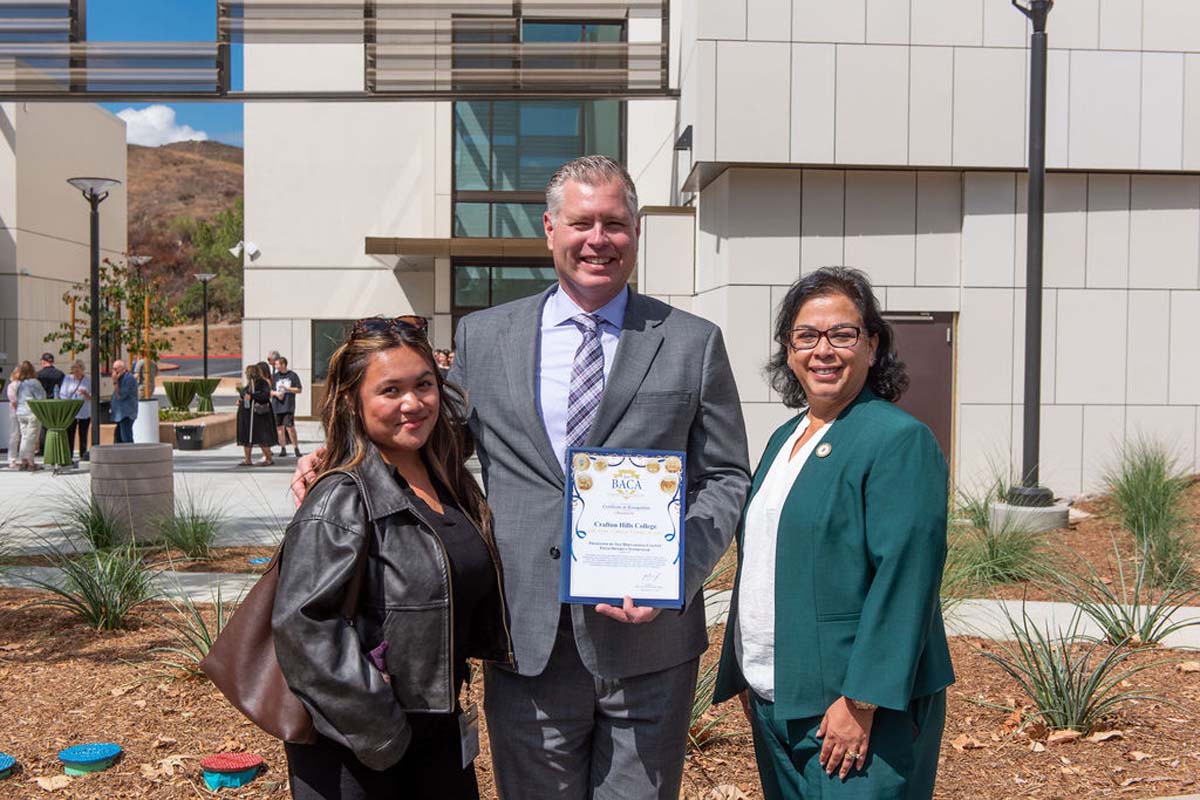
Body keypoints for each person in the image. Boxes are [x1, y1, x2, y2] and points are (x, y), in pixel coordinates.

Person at [294, 155, 751, 799]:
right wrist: (337, 457)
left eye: (616, 224)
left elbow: (726, 474)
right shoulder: (486, 337)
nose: (599, 239)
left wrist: (678, 571)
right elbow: (423, 436)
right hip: (525, 637)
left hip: (650, 649)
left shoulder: (692, 341)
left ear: (637, 231)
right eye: (582, 223)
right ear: (549, 230)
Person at [713, 267, 955, 800]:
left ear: (872, 345)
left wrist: (860, 702)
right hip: (779, 700)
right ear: (788, 348)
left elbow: (906, 579)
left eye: (842, 334)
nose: (823, 350)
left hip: (853, 713)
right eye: (807, 335)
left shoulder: (897, 440)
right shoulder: (786, 437)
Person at [273, 316, 512, 800]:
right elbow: (304, 629)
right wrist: (384, 732)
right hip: (362, 748)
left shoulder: (448, 480)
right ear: (351, 402)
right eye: (390, 390)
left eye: (424, 384)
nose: (413, 403)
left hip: (438, 731)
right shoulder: (341, 497)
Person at [236, 364, 276, 466]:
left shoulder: (262, 383)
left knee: (261, 438)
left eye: (247, 372)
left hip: (259, 415)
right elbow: (245, 393)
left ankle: (269, 459)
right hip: (248, 415)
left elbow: (265, 395)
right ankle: (247, 459)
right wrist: (242, 398)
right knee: (247, 438)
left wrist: (252, 396)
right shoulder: (250, 384)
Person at [13, 361, 46, 471]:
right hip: (31, 412)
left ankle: (23, 461)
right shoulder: (34, 382)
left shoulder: (19, 383)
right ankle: (31, 463)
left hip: (20, 412)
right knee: (31, 437)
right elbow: (41, 397)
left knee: (24, 437)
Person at [58, 360, 92, 462]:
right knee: (70, 434)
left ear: (82, 369)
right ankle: (69, 456)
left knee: (83, 434)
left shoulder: (88, 380)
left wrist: (86, 394)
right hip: (71, 411)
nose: (76, 372)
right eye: (74, 370)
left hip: (84, 410)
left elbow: (93, 396)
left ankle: (83, 455)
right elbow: (62, 394)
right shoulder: (68, 379)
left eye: (78, 369)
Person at [270, 355, 303, 458]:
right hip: (277, 405)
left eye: (277, 364)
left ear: (283, 365)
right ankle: (283, 448)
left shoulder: (292, 376)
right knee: (279, 428)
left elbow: (299, 389)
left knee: (290, 427)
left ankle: (295, 448)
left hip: (288, 405)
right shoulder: (275, 377)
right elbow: (270, 391)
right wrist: (276, 394)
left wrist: (287, 389)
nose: (275, 365)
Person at [35, 353, 64, 454]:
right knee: (56, 425)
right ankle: (55, 448)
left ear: (43, 361)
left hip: (43, 402)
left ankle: (43, 449)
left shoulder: (38, 375)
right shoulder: (60, 374)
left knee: (44, 425)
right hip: (56, 402)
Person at [110, 359, 139, 444]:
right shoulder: (120, 379)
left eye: (116, 369)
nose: (114, 372)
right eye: (113, 369)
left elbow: (121, 395)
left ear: (123, 369)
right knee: (118, 437)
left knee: (126, 438)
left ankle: (129, 455)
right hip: (119, 414)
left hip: (126, 414)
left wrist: (115, 382)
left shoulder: (129, 378)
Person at [6, 366, 20, 468]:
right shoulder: (12, 385)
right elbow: (13, 400)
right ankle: (12, 459)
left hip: (24, 412)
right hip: (15, 413)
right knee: (14, 436)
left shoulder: (25, 384)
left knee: (25, 437)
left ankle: (25, 459)